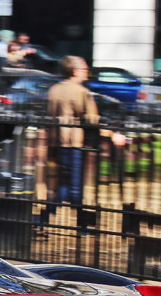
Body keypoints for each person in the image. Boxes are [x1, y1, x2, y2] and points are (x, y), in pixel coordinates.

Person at [41, 56, 126, 226]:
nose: (87, 73)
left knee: (68, 184)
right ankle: (51, 218)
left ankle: (75, 222)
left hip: (57, 142)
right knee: (72, 187)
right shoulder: (81, 92)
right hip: (74, 143)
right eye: (84, 69)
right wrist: (112, 135)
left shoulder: (54, 90)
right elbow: (92, 120)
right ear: (75, 71)